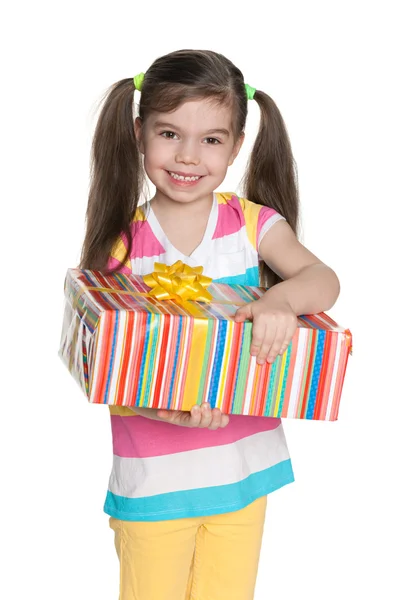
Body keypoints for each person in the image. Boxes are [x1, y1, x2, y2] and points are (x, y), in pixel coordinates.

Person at [79, 49, 340, 600]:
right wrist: (160, 407)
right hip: (154, 484)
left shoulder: (252, 226)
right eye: (169, 134)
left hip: (242, 479)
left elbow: (323, 280)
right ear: (138, 133)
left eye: (212, 139)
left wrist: (281, 301)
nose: (188, 156)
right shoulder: (122, 244)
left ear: (237, 146)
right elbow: (105, 361)